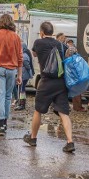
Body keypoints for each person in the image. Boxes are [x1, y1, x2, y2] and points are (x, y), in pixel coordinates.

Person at [23, 21, 75, 152]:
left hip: (46, 82)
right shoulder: (59, 44)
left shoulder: (38, 43)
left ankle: (33, 138)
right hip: (60, 82)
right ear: (52, 32)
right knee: (64, 112)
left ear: (41, 32)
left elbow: (34, 54)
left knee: (38, 110)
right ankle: (70, 142)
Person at [0, 14, 23, 136]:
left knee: (0, 96)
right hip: (12, 69)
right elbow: (20, 57)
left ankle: (1, 124)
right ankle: (5, 122)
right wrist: (20, 75)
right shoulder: (16, 37)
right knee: (8, 97)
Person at [14, 41, 33, 111]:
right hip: (24, 74)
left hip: (24, 75)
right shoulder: (25, 54)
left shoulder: (24, 56)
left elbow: (27, 66)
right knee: (22, 89)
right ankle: (21, 103)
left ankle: (22, 104)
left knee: (21, 89)